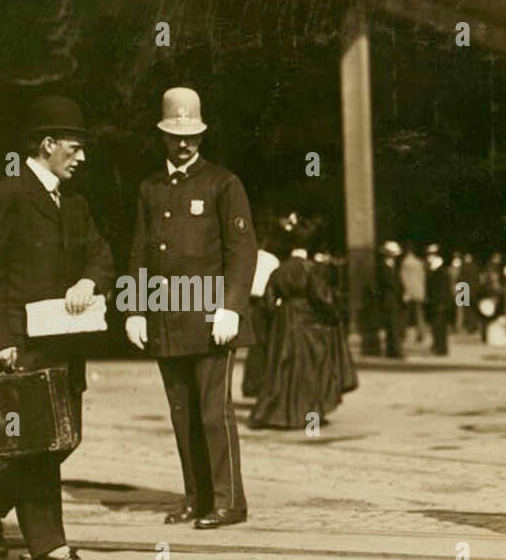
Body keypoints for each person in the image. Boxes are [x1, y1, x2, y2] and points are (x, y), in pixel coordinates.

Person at [0, 95, 112, 560]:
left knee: (65, 438)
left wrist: (89, 280)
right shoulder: (7, 195)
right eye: (74, 147)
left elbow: (101, 253)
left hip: (64, 346)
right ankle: (52, 549)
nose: (82, 157)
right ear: (47, 145)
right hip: (20, 347)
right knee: (42, 447)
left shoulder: (75, 203)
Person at [126, 87, 257, 528]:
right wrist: (135, 308)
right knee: (181, 413)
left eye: (192, 136)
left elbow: (243, 250)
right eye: (175, 135)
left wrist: (232, 307)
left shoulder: (223, 183)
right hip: (166, 315)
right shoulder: (149, 187)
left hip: (209, 316)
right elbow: (139, 251)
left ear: (202, 135)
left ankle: (229, 501)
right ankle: (196, 497)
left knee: (213, 413)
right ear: (161, 135)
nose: (184, 144)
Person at [250, 218, 357, 428]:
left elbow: (268, 303)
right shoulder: (311, 269)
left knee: (284, 370)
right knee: (310, 371)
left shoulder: (279, 270)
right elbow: (321, 298)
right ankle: (311, 419)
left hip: (285, 322)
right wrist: (332, 314)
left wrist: (279, 315)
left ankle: (281, 416)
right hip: (309, 323)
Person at [241, 219, 283, 397]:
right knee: (266, 346)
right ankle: (264, 387)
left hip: (249, 304)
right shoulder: (271, 260)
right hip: (265, 305)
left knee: (255, 347)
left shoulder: (245, 258)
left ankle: (253, 385)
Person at [375, 239, 406, 359]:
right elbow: (390, 284)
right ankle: (395, 351)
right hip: (389, 299)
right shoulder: (383, 267)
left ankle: (392, 351)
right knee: (393, 326)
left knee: (393, 325)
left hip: (393, 299)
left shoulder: (392, 266)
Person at [424, 243, 453, 355]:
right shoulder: (437, 270)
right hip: (438, 303)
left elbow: (441, 289)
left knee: (439, 327)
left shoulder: (439, 271)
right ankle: (439, 347)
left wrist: (440, 303)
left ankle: (440, 348)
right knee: (438, 327)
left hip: (439, 303)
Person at [400, 241, 426, 343]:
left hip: (409, 291)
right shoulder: (419, 263)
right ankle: (420, 334)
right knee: (419, 314)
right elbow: (422, 277)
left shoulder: (405, 263)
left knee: (405, 314)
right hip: (419, 290)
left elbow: (403, 278)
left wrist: (405, 291)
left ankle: (403, 333)